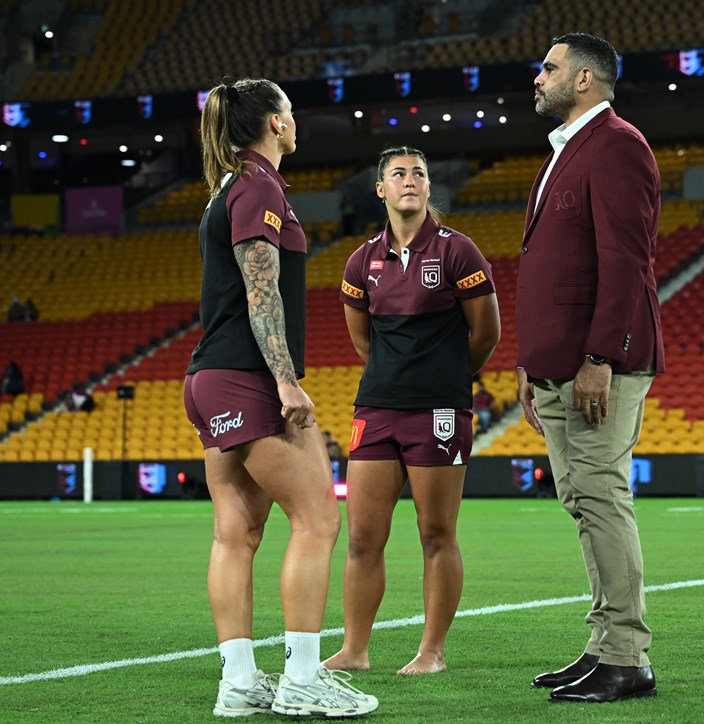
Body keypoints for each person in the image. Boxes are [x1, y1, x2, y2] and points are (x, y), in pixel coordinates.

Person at [182, 77, 377, 718]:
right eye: (289, 113)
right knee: (318, 520)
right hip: (246, 375)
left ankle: (239, 683)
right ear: (272, 122)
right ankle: (301, 678)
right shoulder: (258, 186)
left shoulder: (229, 187)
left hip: (210, 376)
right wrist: (286, 378)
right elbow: (260, 289)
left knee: (235, 534)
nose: (296, 123)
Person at [516, 33, 665, 704]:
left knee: (602, 499)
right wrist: (529, 360)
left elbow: (626, 261)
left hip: (595, 362)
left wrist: (601, 356)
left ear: (583, 79)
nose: (537, 76)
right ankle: (603, 646)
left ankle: (627, 656)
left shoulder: (618, 145)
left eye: (549, 67)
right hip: (556, 363)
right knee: (583, 502)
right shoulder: (566, 151)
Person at [324, 146, 500, 676]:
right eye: (398, 174)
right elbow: (363, 341)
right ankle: (354, 651)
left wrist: (443, 376)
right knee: (361, 538)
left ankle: (432, 652)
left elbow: (486, 334)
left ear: (428, 188)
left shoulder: (458, 251)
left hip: (439, 411)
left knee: (436, 534)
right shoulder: (361, 260)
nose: (409, 181)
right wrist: (396, 376)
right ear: (380, 189)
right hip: (376, 408)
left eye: (419, 174)